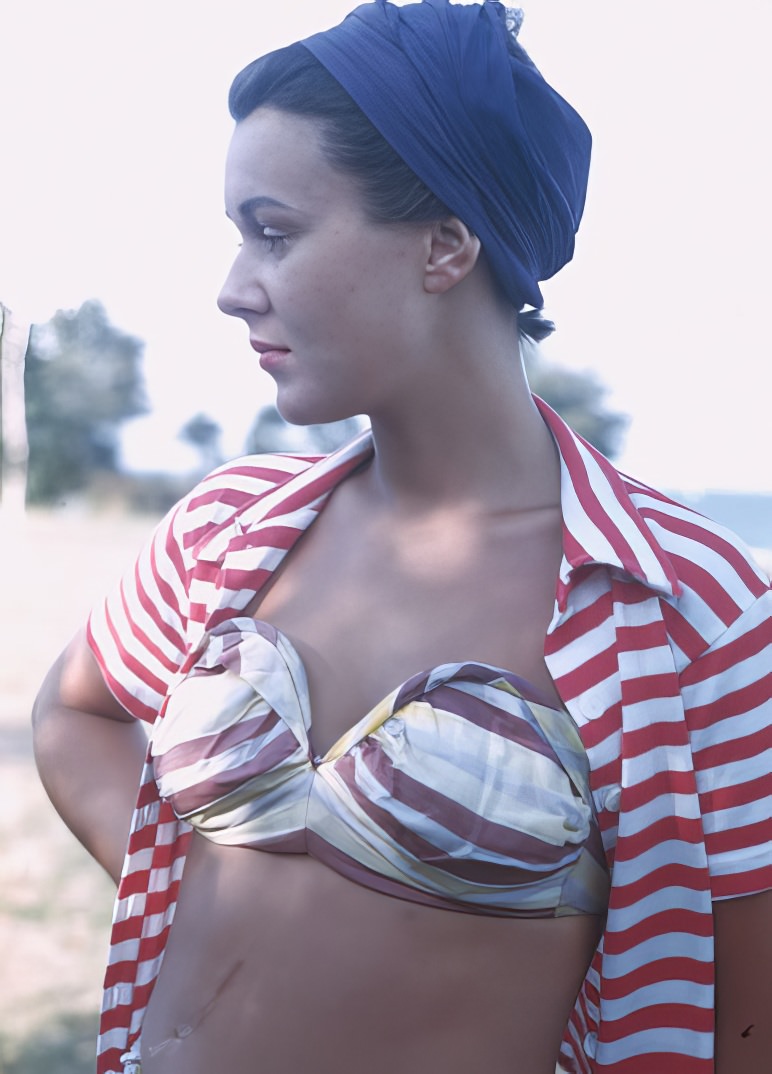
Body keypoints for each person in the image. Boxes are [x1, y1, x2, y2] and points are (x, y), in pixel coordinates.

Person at [32, 2, 772, 1072]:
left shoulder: (686, 605)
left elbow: (742, 1016)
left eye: (273, 231)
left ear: (444, 244)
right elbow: (74, 710)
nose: (233, 288)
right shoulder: (229, 527)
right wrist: (198, 886)